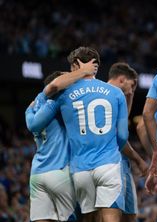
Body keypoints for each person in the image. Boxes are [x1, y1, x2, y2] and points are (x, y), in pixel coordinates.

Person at [39, 46, 128, 222]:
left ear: (74, 65)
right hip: (108, 163)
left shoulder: (63, 94)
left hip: (80, 168)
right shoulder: (116, 92)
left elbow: (49, 91)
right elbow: (123, 136)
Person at [25, 60, 97, 222]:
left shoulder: (32, 108)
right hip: (60, 171)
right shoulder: (59, 102)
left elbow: (32, 124)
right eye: (69, 81)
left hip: (37, 173)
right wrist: (84, 72)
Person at [107, 62, 148, 222]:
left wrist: (129, 97)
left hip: (121, 164)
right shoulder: (109, 95)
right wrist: (139, 160)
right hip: (110, 164)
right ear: (122, 79)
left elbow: (121, 124)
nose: (132, 90)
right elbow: (120, 136)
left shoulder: (110, 95)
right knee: (114, 215)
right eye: (131, 85)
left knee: (130, 215)